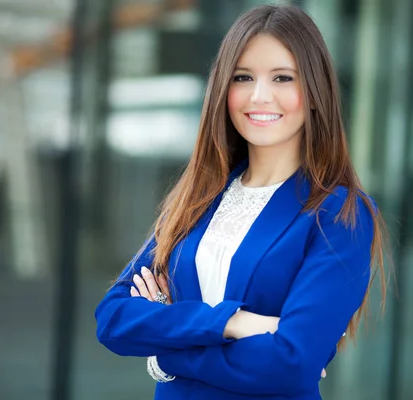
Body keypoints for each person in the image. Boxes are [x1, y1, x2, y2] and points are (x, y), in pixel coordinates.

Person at [95, 4, 388, 400]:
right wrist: (233, 322)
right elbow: (113, 319)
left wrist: (165, 354)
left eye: (283, 77)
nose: (259, 96)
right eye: (243, 77)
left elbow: (291, 363)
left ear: (316, 93)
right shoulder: (200, 197)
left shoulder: (339, 214)